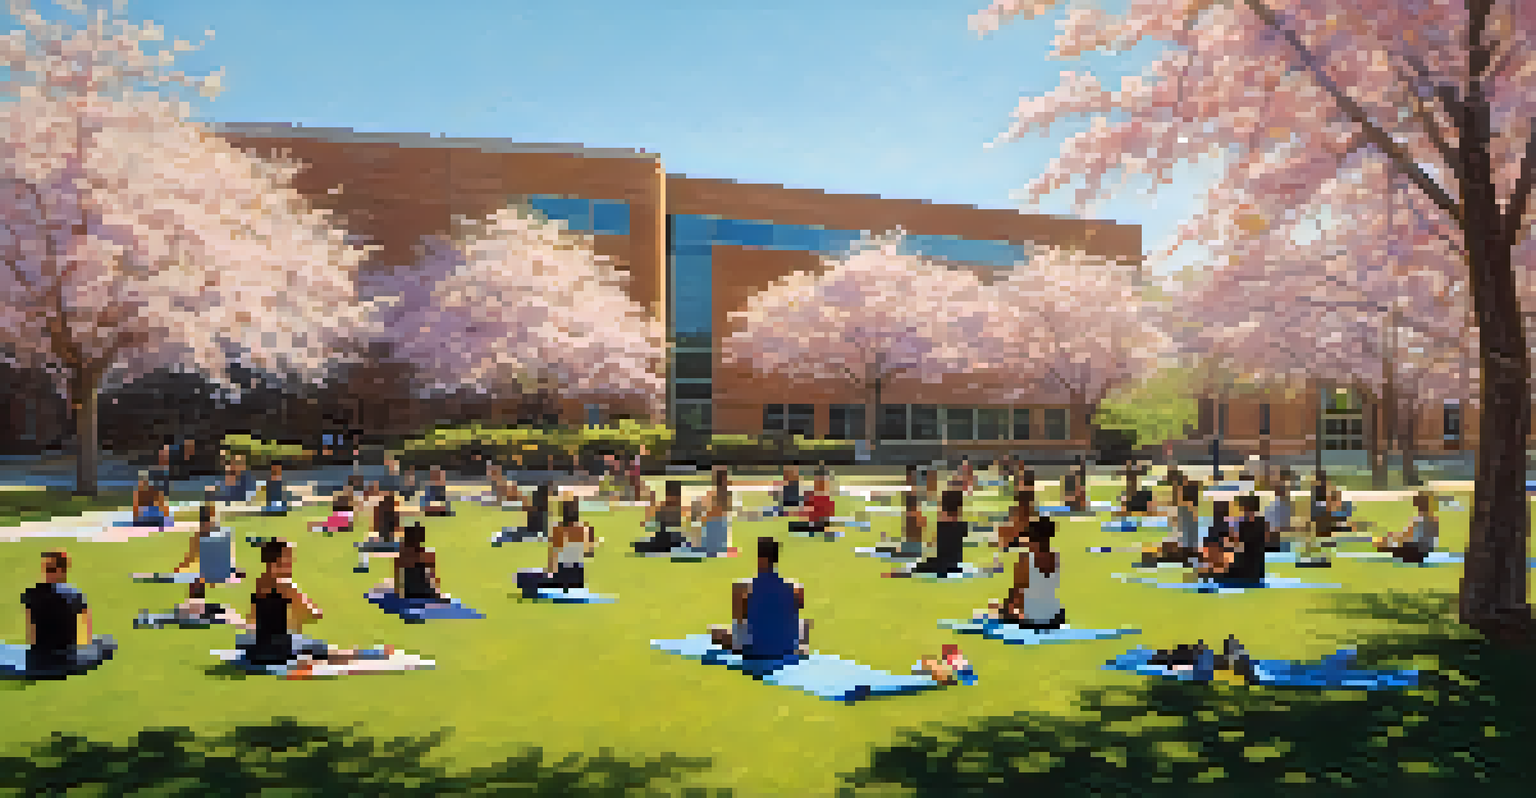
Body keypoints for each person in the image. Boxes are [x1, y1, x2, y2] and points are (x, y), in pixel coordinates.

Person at [239, 539, 393, 673]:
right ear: (279, 560)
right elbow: (314, 614)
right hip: (279, 650)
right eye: (288, 558)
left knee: (305, 644)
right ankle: (374, 654)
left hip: (257, 650)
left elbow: (253, 619)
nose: (292, 562)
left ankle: (373, 653)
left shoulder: (260, 582)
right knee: (333, 654)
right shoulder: (285, 585)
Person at [709, 537, 811, 659]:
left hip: (757, 647)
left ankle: (742, 646)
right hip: (787, 646)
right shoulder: (796, 588)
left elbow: (739, 624)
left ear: (759, 559)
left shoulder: (742, 588)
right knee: (804, 623)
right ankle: (799, 647)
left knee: (715, 631)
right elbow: (794, 611)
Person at [19, 550, 118, 677]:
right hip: (66, 654)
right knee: (108, 642)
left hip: (41, 652)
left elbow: (31, 634)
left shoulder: (30, 594)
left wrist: (35, 655)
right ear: (63, 571)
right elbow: (84, 635)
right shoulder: (75, 594)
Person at [988, 515, 1065, 629]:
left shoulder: (1025, 560)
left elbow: (1015, 595)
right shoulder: (1056, 558)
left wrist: (1003, 609)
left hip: (1033, 618)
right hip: (1053, 615)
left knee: (994, 608)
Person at [517, 500, 597, 596]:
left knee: (523, 576)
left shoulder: (558, 530)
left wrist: (550, 572)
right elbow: (589, 553)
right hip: (578, 577)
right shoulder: (585, 529)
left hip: (561, 575)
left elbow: (553, 556)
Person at [895, 490, 967, 577]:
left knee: (915, 568)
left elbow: (940, 548)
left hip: (941, 565)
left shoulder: (942, 524)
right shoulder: (962, 525)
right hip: (954, 565)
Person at [1376, 493, 1439, 564]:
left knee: (1384, 547)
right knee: (1389, 545)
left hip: (1417, 552)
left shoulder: (1421, 519)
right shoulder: (1433, 519)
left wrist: (1390, 538)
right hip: (1425, 551)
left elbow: (1406, 536)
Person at [634, 481, 687, 553]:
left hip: (669, 541)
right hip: (667, 539)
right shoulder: (667, 507)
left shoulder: (673, 508)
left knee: (639, 547)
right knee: (639, 546)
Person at [1264, 478, 1294, 551]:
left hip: (1277, 535)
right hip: (1282, 536)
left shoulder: (1272, 506)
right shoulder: (1288, 505)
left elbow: (1267, 523)